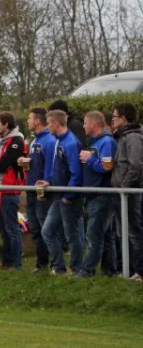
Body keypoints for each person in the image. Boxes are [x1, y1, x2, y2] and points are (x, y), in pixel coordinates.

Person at [40, 110, 84, 275]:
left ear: (56, 124)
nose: (47, 126)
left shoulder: (71, 143)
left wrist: (69, 196)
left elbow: (76, 173)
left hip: (68, 197)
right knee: (48, 231)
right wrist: (49, 181)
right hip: (59, 195)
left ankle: (76, 268)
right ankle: (59, 267)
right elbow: (57, 167)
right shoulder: (59, 141)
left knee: (71, 234)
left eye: (49, 123)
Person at [75, 111, 117, 278]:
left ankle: (87, 271)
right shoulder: (94, 142)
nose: (83, 126)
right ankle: (110, 271)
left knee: (93, 234)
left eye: (85, 123)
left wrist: (90, 159)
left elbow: (107, 168)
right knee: (106, 235)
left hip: (102, 194)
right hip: (94, 195)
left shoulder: (107, 142)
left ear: (93, 124)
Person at [0, 112, 26, 270]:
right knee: (2, 228)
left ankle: (15, 263)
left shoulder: (17, 140)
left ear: (6, 124)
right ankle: (6, 262)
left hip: (9, 190)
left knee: (11, 228)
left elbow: (3, 165)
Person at [17, 108, 56, 273]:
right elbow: (37, 163)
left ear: (37, 121)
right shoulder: (34, 141)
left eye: (30, 118)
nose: (27, 121)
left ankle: (56, 264)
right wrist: (26, 163)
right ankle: (41, 264)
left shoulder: (49, 140)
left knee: (45, 229)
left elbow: (51, 165)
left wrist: (47, 184)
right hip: (31, 190)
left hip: (42, 192)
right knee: (35, 228)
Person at [111, 103, 143, 281]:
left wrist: (124, 186)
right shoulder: (122, 137)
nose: (112, 119)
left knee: (133, 232)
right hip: (121, 192)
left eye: (114, 116)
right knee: (122, 232)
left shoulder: (132, 138)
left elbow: (136, 164)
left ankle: (139, 270)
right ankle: (128, 270)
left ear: (123, 118)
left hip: (128, 193)